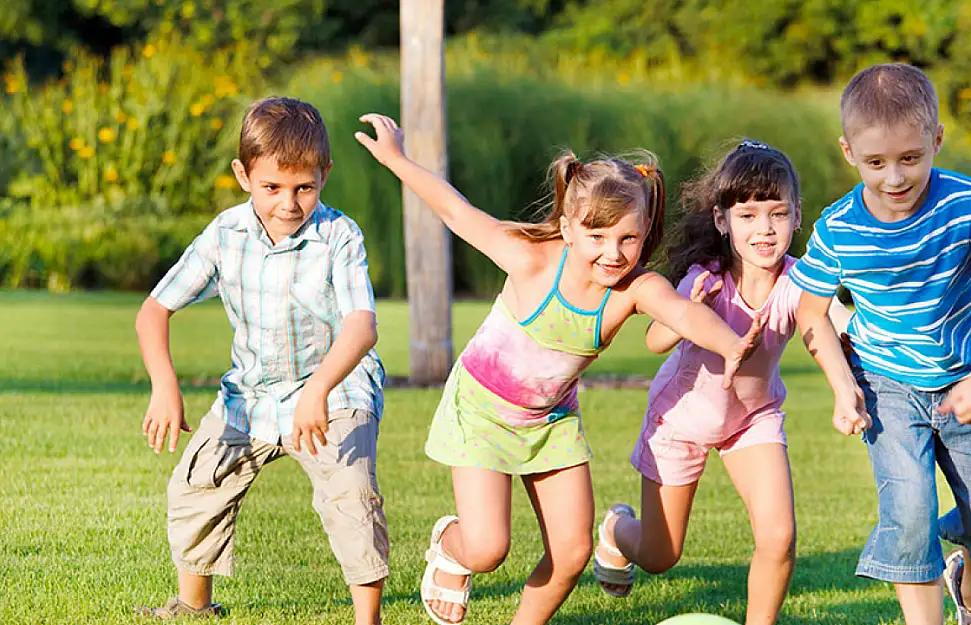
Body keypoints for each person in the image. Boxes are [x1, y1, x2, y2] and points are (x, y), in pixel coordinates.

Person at [355, 114, 762, 625]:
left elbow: (681, 313)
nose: (613, 253)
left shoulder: (633, 289)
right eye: (597, 236)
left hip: (550, 422)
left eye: (628, 239)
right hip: (481, 410)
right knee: (487, 549)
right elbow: (456, 212)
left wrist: (731, 344)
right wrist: (396, 159)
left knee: (570, 555)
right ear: (568, 228)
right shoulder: (531, 260)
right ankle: (452, 548)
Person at [791, 63, 971, 625]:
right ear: (848, 151)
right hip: (885, 385)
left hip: (968, 379)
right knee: (909, 518)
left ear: (937, 140)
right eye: (876, 162)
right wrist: (841, 387)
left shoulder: (966, 204)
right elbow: (811, 311)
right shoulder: (839, 228)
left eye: (911, 158)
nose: (895, 177)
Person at [135, 97, 389, 625]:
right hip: (250, 395)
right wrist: (164, 384)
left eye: (305, 187)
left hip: (335, 390)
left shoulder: (340, 237)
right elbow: (154, 311)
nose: (289, 203)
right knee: (197, 483)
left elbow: (361, 327)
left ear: (325, 175)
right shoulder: (225, 235)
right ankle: (194, 607)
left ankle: (369, 620)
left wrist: (317, 392)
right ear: (243, 174)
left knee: (351, 495)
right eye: (272, 187)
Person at [593, 141, 851, 625]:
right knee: (659, 555)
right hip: (681, 421)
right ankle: (615, 529)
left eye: (777, 213)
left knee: (778, 537)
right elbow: (655, 340)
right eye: (749, 215)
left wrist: (851, 379)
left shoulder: (799, 282)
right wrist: (690, 306)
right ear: (722, 221)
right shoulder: (703, 279)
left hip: (751, 421)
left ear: (797, 217)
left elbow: (831, 326)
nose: (765, 229)